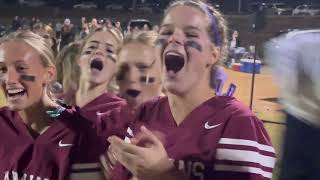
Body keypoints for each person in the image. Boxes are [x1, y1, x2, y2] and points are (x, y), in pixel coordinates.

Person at [106, 0, 275, 179]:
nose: (174, 38)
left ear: (213, 54)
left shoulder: (237, 123)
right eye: (167, 32)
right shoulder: (145, 113)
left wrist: (165, 174)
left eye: (191, 34)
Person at [0, 30, 77, 180]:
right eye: (2, 69)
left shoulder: (78, 129)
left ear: (48, 74)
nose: (8, 79)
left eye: (21, 68)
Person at [265, 29, 320, 180]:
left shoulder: (290, 43)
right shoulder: (299, 42)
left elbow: (288, 82)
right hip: (303, 119)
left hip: (301, 118)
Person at [116, 31, 163, 111]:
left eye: (143, 67)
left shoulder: (182, 119)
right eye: (124, 68)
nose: (131, 77)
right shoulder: (105, 117)